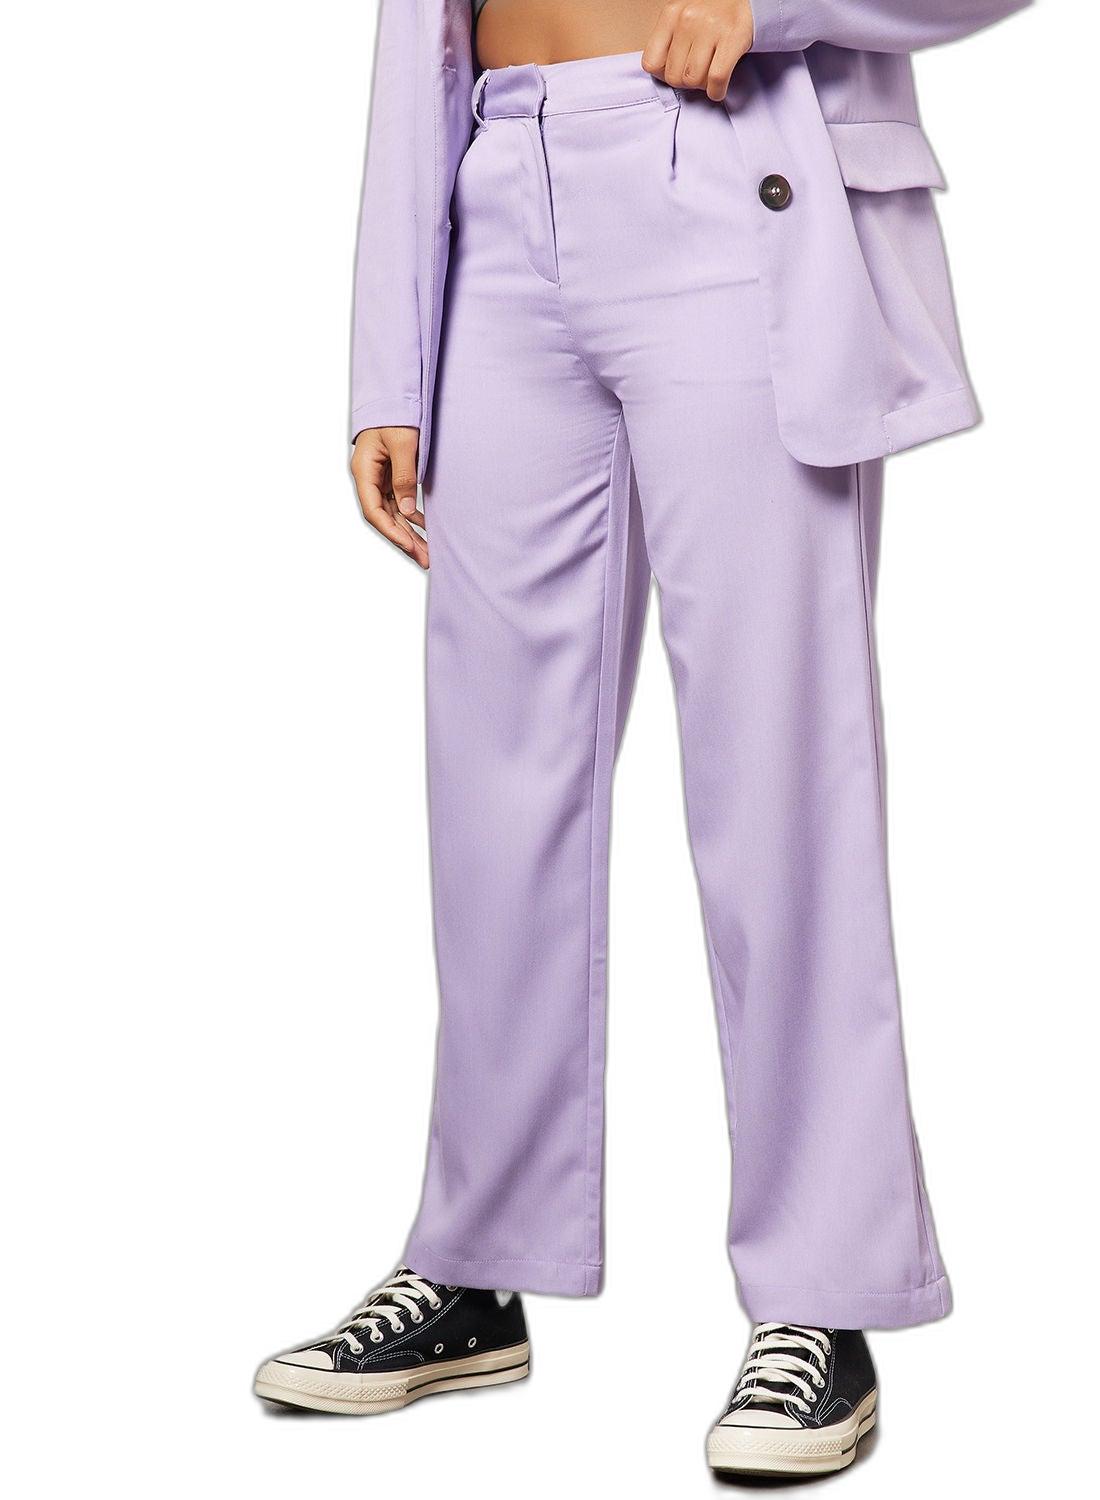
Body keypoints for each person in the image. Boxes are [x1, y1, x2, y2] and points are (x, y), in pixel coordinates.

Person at [254, 0, 1028, 1475]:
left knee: (777, 772)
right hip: (502, 197)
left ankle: (823, 1295)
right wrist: (387, 360)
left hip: (723, 178)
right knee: (493, 783)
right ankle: (475, 1260)